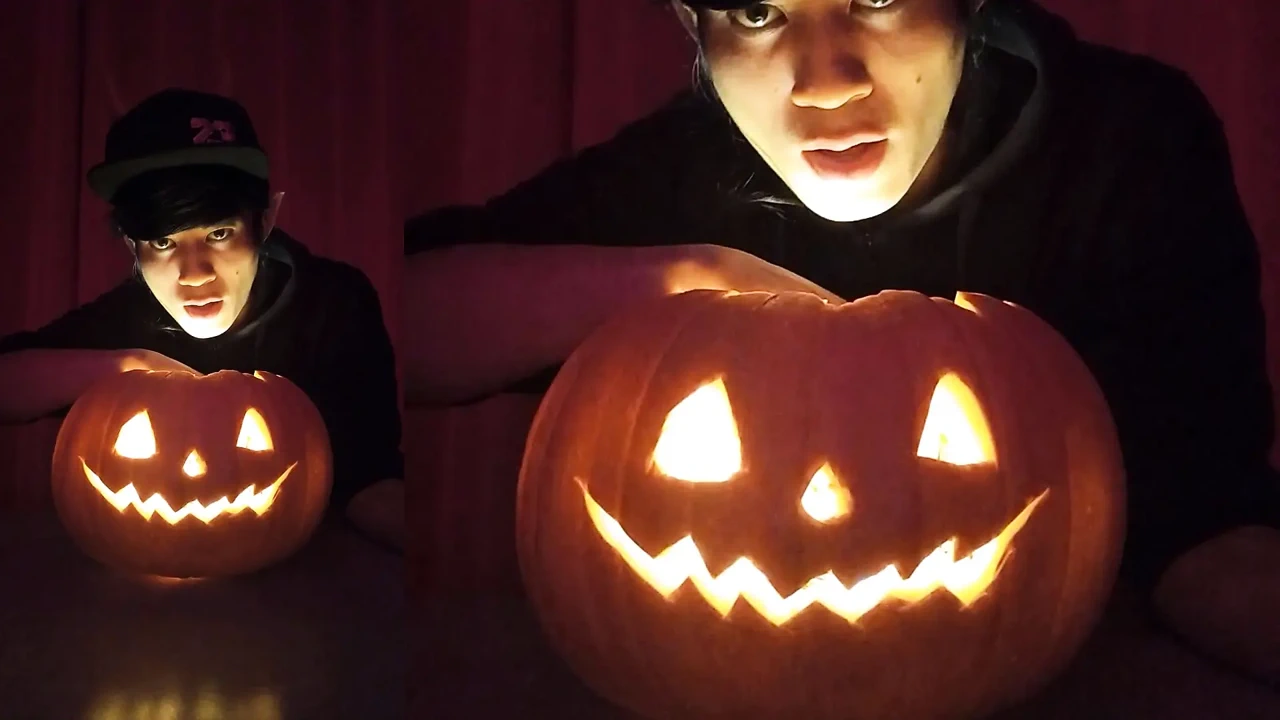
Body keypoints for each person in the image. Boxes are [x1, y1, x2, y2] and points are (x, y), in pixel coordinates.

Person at [405, 0, 1280, 680]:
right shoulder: (687, 170)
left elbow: (1202, 517)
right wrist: (687, 280)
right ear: (694, 27)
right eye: (755, 10)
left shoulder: (1128, 144)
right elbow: (415, 315)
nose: (824, 81)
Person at [0, 88, 404, 551]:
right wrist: (123, 366)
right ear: (133, 246)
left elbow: (370, 475)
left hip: (316, 578)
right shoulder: (128, 317)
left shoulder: (333, 302)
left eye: (218, 233)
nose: (194, 275)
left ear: (266, 220)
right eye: (164, 243)